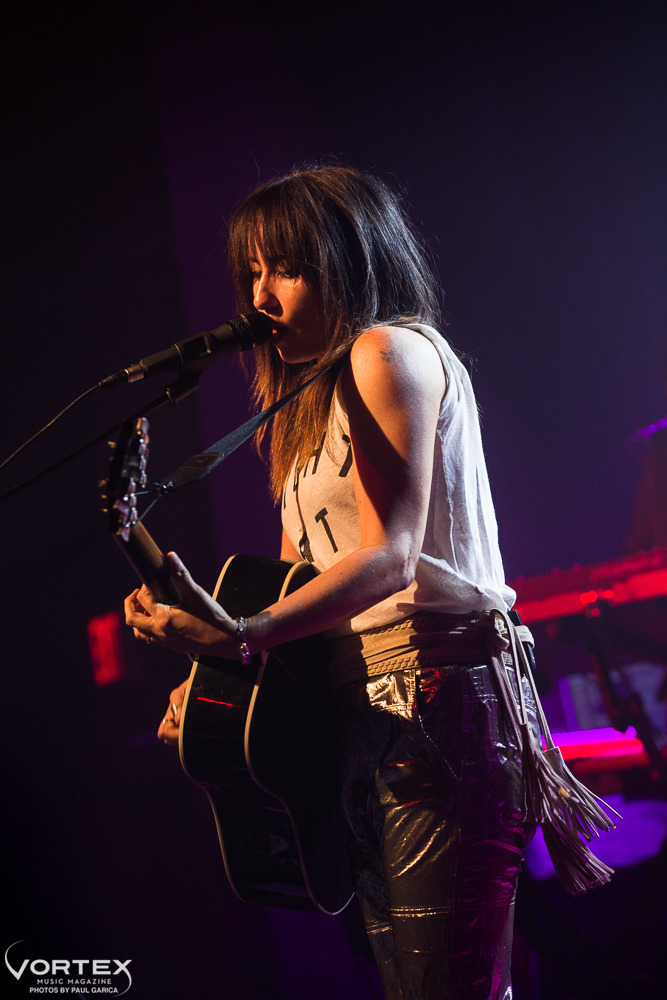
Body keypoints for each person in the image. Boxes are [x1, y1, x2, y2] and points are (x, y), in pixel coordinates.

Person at [124, 165, 534, 1000]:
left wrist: (240, 636)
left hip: (438, 699)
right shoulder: (302, 403)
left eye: (285, 269)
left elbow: (389, 556)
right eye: (249, 273)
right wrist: (208, 676)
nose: (259, 296)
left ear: (350, 263)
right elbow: (292, 584)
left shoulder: (389, 350)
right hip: (364, 712)